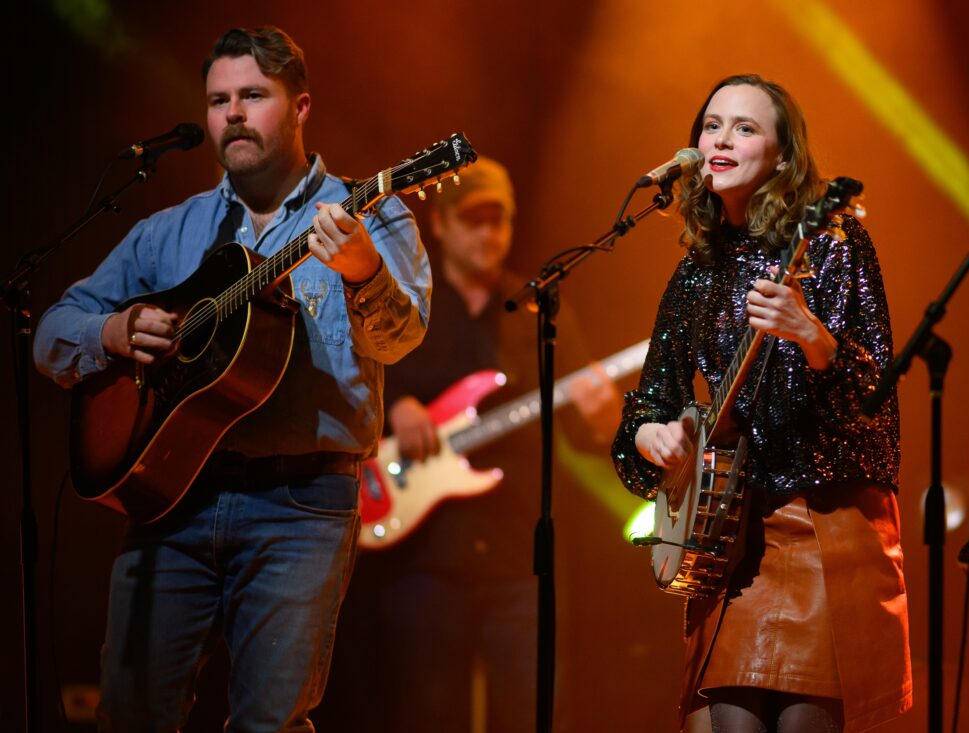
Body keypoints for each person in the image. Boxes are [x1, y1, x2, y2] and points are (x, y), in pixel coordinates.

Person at [33, 26, 430, 733]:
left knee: (269, 724)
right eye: (219, 100)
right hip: (169, 500)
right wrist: (114, 332)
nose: (233, 114)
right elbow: (53, 329)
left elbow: (401, 339)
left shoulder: (368, 211)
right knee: (129, 715)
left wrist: (366, 272)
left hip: (301, 505)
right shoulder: (169, 231)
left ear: (301, 107)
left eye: (253, 95)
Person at [612, 74, 911, 733]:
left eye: (744, 127)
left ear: (782, 156)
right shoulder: (697, 269)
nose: (720, 138)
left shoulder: (832, 244)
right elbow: (647, 406)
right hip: (732, 539)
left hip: (823, 525)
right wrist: (651, 437)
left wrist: (813, 337)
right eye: (711, 125)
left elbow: (877, 413)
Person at [322, 156, 621, 733]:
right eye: (472, 220)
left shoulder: (539, 312)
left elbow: (587, 435)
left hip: (519, 560)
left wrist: (607, 419)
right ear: (441, 224)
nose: (487, 234)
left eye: (498, 221)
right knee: (427, 714)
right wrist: (398, 404)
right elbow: (340, 384)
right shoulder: (405, 302)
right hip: (424, 561)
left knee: (533, 715)